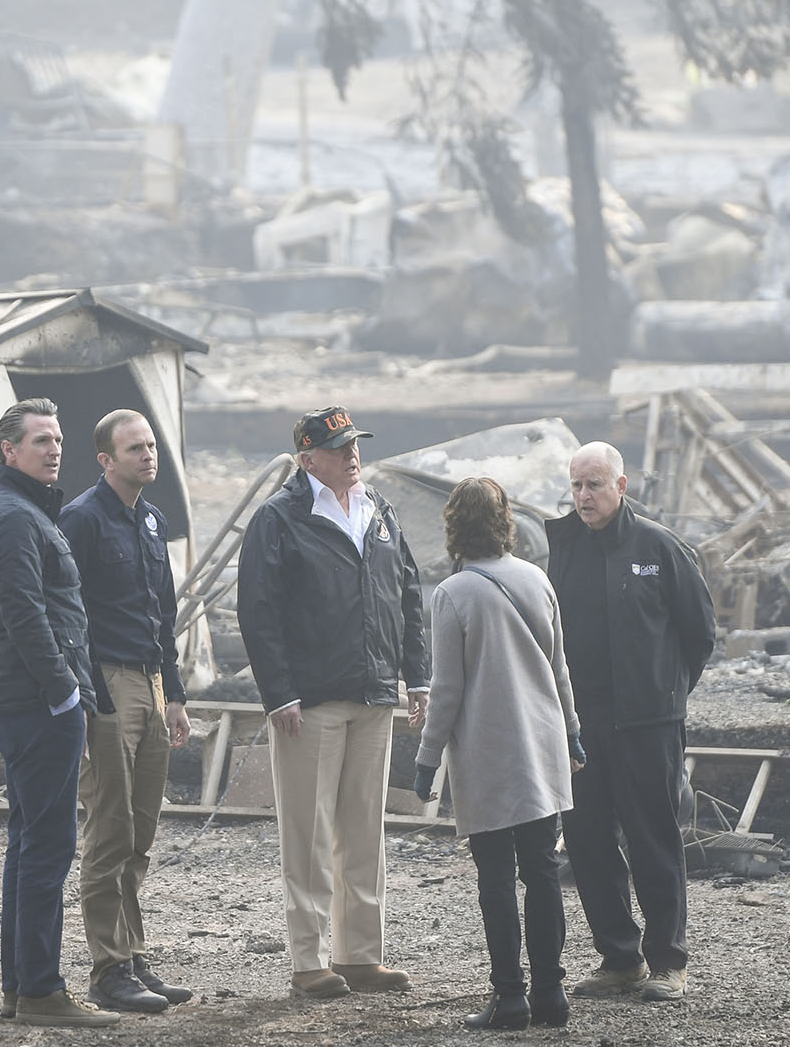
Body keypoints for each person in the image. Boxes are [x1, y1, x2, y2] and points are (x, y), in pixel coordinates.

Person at [237, 405, 430, 1001]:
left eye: (355, 443)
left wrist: (415, 677)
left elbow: (409, 595)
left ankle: (360, 954)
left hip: (372, 693)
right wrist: (280, 693)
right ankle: (309, 960)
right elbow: (259, 611)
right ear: (306, 458)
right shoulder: (279, 518)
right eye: (339, 446)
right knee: (309, 832)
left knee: (363, 829)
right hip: (310, 700)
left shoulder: (380, 512)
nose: (352, 454)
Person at [0, 398, 119, 1029]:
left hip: (34, 697)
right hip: (36, 701)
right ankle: (41, 990)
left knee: (30, 845)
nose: (55, 450)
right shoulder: (11, 519)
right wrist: (64, 693)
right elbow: (26, 614)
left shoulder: (27, 513)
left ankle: (23, 987)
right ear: (9, 451)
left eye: (58, 439)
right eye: (40, 441)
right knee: (48, 846)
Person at [413, 477, 585, 1031]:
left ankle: (509, 999)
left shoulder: (453, 593)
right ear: (506, 520)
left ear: (453, 526)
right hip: (543, 745)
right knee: (541, 869)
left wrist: (426, 757)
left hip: (489, 753)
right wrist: (574, 734)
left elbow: (447, 690)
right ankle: (552, 995)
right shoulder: (538, 579)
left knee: (495, 878)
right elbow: (560, 670)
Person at [547, 441, 716, 1003]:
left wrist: (664, 694)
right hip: (582, 726)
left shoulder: (659, 548)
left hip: (649, 726)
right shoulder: (563, 547)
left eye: (594, 484)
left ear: (622, 487)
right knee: (588, 841)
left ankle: (668, 961)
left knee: (654, 841)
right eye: (576, 486)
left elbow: (699, 635)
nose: (583, 496)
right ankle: (619, 958)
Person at [58, 409, 196, 1013]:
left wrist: (177, 695)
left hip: (151, 681)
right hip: (107, 682)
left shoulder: (151, 520)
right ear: (105, 460)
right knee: (108, 830)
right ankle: (108, 968)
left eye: (150, 446)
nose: (148, 455)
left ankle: (133, 956)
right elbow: (70, 615)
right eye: (134, 448)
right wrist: (92, 700)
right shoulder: (81, 519)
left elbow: (162, 615)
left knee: (140, 832)